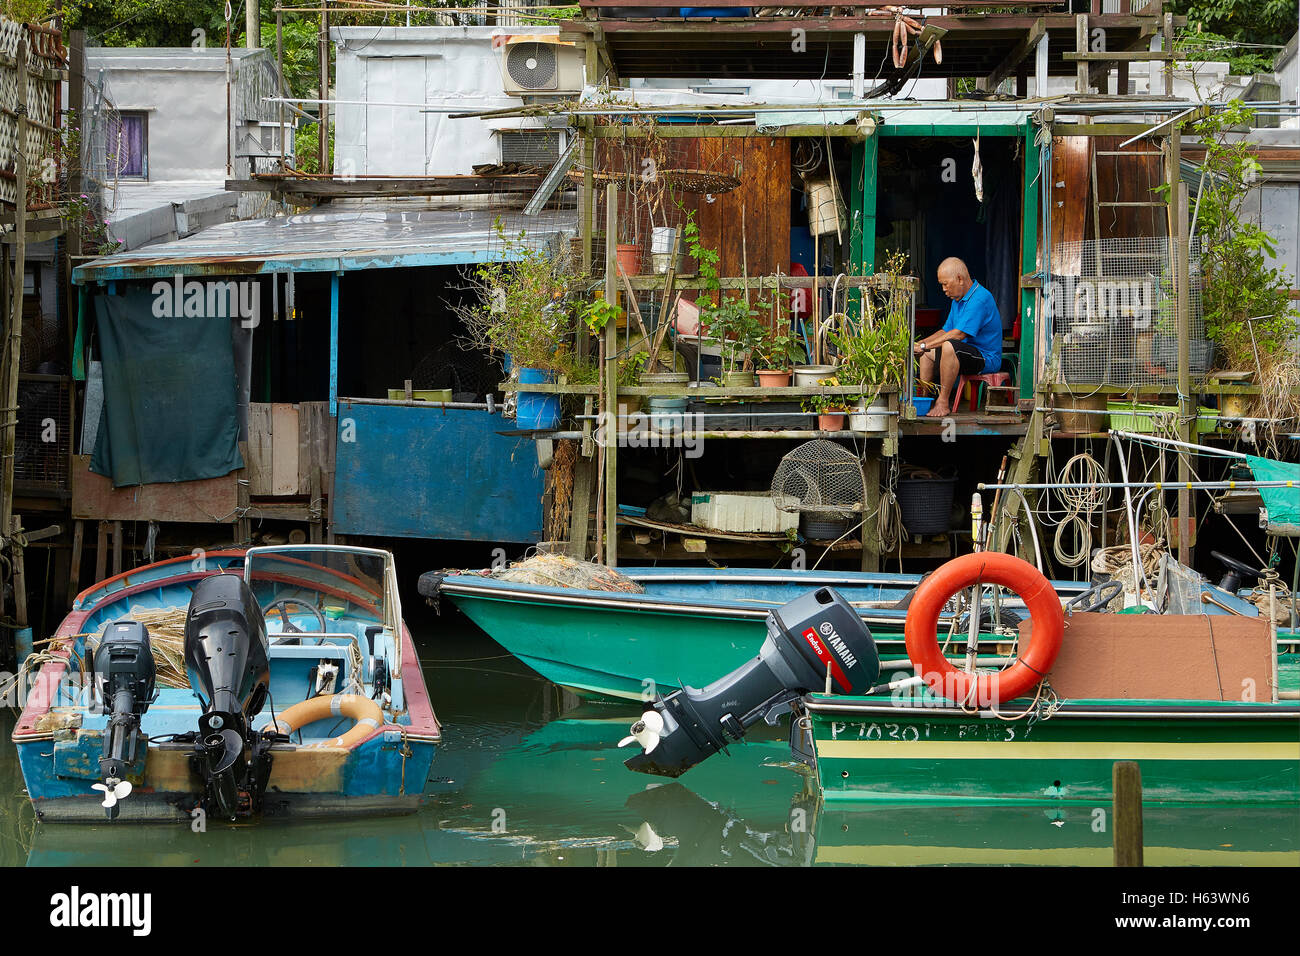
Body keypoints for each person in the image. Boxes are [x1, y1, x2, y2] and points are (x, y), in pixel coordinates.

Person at [912, 257, 1003, 417]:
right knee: (927, 353)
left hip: (986, 359)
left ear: (960, 279)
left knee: (949, 345)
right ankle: (922, 401)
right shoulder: (958, 299)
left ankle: (943, 402)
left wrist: (925, 346)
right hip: (963, 354)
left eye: (945, 284)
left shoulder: (980, 298)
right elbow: (946, 330)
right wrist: (920, 344)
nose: (943, 289)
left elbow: (958, 335)